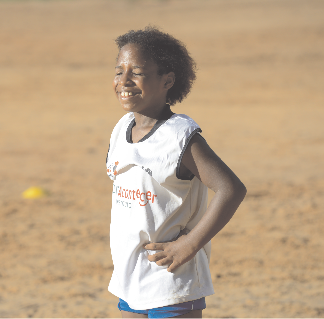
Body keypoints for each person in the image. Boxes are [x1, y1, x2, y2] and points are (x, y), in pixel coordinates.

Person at [106, 26, 246, 318]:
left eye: (138, 72)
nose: (124, 80)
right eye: (120, 71)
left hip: (171, 280)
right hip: (130, 277)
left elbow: (230, 189)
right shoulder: (122, 129)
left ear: (167, 79)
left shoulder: (180, 136)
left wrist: (189, 245)